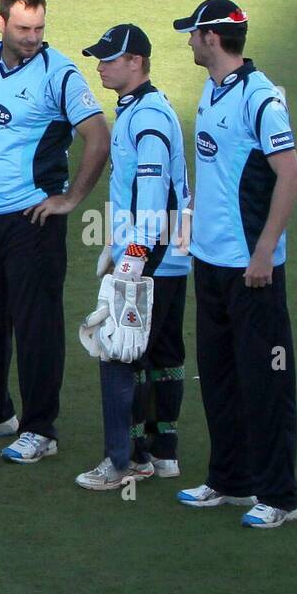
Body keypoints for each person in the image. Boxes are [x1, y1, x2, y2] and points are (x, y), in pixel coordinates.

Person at [0, 0, 109, 461]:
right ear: (1, 24)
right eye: (23, 28)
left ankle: (40, 428)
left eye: (39, 28)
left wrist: (70, 199)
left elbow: (98, 137)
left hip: (31, 221)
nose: (33, 37)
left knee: (37, 326)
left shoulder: (61, 76)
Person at [171, 0, 297, 528]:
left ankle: (279, 496)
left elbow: (291, 176)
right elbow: (217, 170)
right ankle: (229, 480)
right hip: (211, 260)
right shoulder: (212, 89)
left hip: (252, 268)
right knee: (220, 375)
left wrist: (266, 250)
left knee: (265, 380)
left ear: (213, 37)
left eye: (193, 33)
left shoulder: (262, 99)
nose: (188, 41)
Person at [74, 24, 190, 491]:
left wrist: (134, 256)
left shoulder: (147, 118)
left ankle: (122, 461)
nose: (99, 65)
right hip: (170, 255)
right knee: (162, 353)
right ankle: (162, 454)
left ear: (136, 62)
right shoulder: (140, 111)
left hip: (152, 257)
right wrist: (116, 243)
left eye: (108, 58)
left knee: (117, 350)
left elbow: (154, 193)